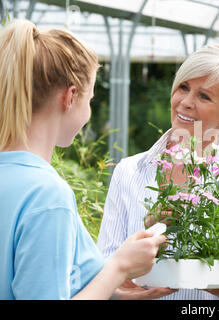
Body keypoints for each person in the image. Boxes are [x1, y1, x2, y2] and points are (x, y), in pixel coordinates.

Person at [97, 44, 219, 300]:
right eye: (183, 87)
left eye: (204, 96)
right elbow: (105, 259)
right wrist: (119, 284)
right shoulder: (130, 171)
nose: (185, 103)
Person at [0, 19, 171, 300]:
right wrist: (119, 267)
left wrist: (111, 291)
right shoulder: (47, 196)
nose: (88, 111)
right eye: (90, 100)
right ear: (70, 97)